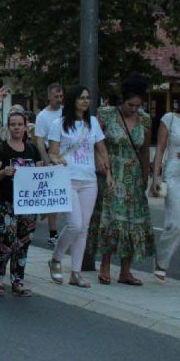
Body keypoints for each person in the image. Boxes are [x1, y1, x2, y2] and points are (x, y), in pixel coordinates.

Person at [46, 85, 111, 289]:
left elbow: (101, 149)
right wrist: (57, 161)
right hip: (68, 179)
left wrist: (108, 173)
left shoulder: (92, 123)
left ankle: (76, 272)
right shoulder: (59, 124)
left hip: (89, 179)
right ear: (73, 100)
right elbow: (53, 153)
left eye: (88, 98)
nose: (85, 101)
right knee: (74, 224)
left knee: (84, 228)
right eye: (81, 98)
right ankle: (56, 259)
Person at [94, 76, 154, 286]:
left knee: (131, 222)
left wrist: (146, 177)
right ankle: (105, 266)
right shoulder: (107, 114)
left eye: (138, 106)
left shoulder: (145, 119)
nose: (134, 109)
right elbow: (94, 141)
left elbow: (145, 151)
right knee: (112, 220)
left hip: (134, 177)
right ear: (122, 100)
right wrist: (99, 162)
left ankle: (126, 271)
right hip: (112, 174)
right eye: (131, 105)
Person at [0, 111, 42, 296]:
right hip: (5, 201)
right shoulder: (0, 149)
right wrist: (4, 172)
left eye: (20, 124)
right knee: (7, 239)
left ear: (26, 127)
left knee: (23, 242)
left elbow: (41, 175)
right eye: (13, 124)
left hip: (27, 204)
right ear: (8, 127)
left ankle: (17, 279)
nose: (17, 127)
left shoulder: (32, 150)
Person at [151, 100, 180, 281]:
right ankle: (161, 262)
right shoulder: (170, 118)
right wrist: (156, 176)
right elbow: (160, 149)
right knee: (175, 223)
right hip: (174, 173)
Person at [33, 83, 64, 247]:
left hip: (66, 158)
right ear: (49, 97)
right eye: (56, 96)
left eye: (61, 96)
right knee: (54, 198)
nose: (59, 99)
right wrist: (47, 163)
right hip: (50, 158)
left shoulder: (66, 112)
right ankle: (53, 232)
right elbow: (39, 142)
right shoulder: (42, 116)